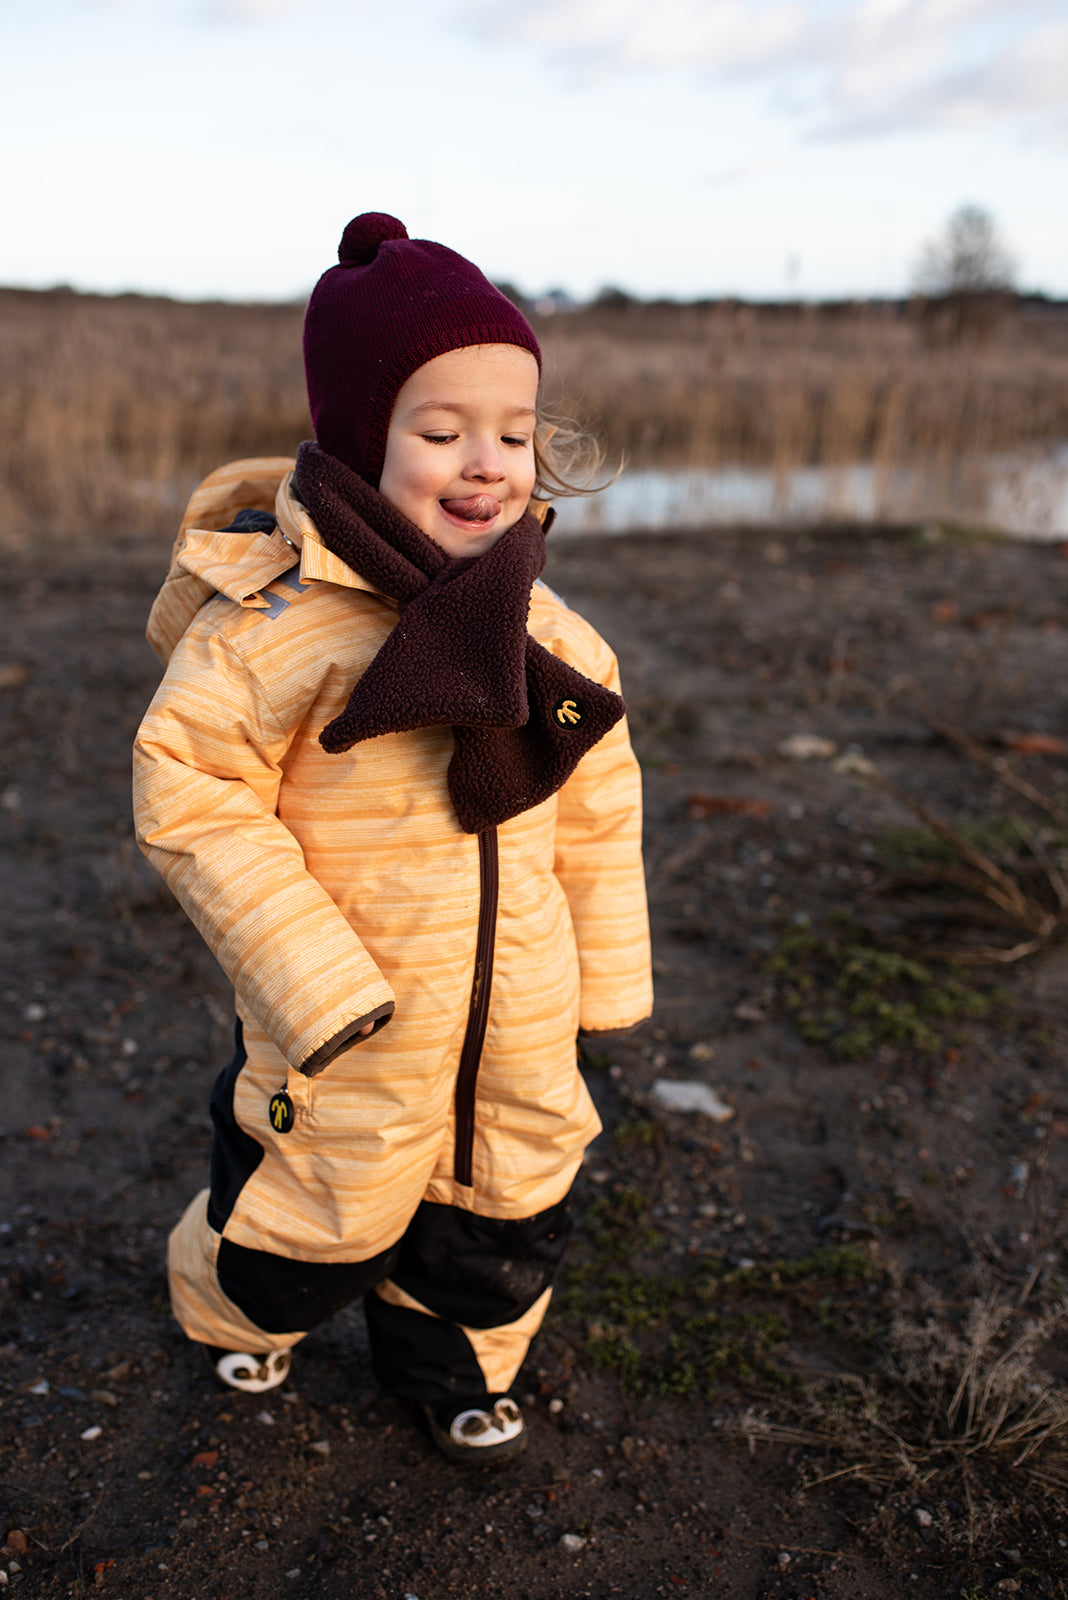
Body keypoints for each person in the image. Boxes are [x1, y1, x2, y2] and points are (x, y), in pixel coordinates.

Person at [133, 212, 652, 1465]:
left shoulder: (551, 635)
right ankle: (231, 1303)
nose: (488, 463)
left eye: (516, 433)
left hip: (518, 1010)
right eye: (441, 431)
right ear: (365, 440)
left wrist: (608, 972)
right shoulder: (275, 632)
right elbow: (193, 794)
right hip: (347, 1012)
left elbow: (597, 801)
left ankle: (459, 1360)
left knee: (501, 1207)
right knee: (314, 1217)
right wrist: (309, 979)